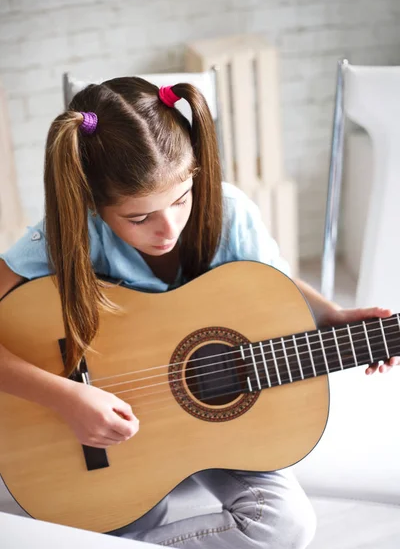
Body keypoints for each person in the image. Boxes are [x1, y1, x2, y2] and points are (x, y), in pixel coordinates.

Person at [0, 77, 398, 549]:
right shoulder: (71, 232)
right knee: (111, 515)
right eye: (138, 218)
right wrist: (67, 398)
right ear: (93, 204)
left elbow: (268, 286)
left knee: (286, 525)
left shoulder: (230, 211)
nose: (168, 228)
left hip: (215, 430)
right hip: (101, 441)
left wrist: (329, 315)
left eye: (181, 199)